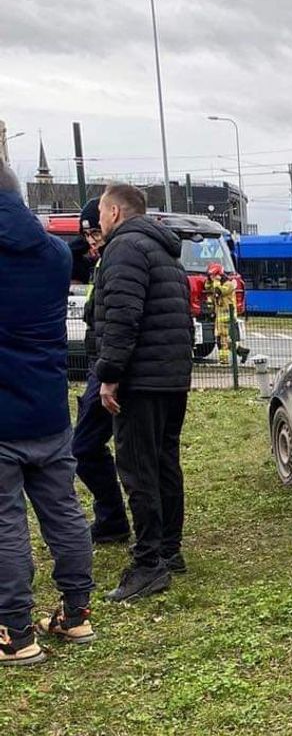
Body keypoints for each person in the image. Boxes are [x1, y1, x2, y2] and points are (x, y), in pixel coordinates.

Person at [0, 161, 96, 665]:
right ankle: (76, 613)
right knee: (63, 511)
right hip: (48, 409)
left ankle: (15, 632)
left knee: (5, 523)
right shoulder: (55, 256)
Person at [90, 184, 193, 602]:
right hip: (171, 376)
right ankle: (169, 551)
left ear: (114, 211)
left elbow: (121, 317)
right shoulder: (163, 250)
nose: (97, 222)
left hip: (140, 380)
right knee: (166, 461)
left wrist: (109, 375)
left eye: (99, 213)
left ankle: (148, 564)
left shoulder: (125, 249)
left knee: (137, 469)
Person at [70, 197, 132, 546]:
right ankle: (111, 518)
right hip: (101, 365)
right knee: (88, 446)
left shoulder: (117, 259)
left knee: (85, 446)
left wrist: (108, 374)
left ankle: (113, 519)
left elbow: (117, 321)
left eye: (96, 232)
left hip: (106, 368)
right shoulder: (102, 259)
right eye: (87, 236)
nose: (92, 241)